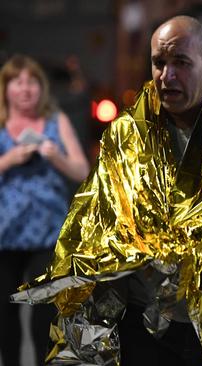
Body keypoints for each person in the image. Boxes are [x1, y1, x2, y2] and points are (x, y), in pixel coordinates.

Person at [12, 15, 202, 366]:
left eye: (181, 62)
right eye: (159, 63)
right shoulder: (127, 134)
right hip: (144, 322)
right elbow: (99, 218)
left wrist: (177, 238)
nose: (167, 76)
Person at [0, 54, 89, 366]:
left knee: (44, 318)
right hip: (5, 234)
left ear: (42, 88)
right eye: (18, 83)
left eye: (32, 82)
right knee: (5, 317)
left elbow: (81, 170)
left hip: (47, 233)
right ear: (6, 88)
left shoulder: (56, 121)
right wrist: (8, 160)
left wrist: (56, 158)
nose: (26, 90)